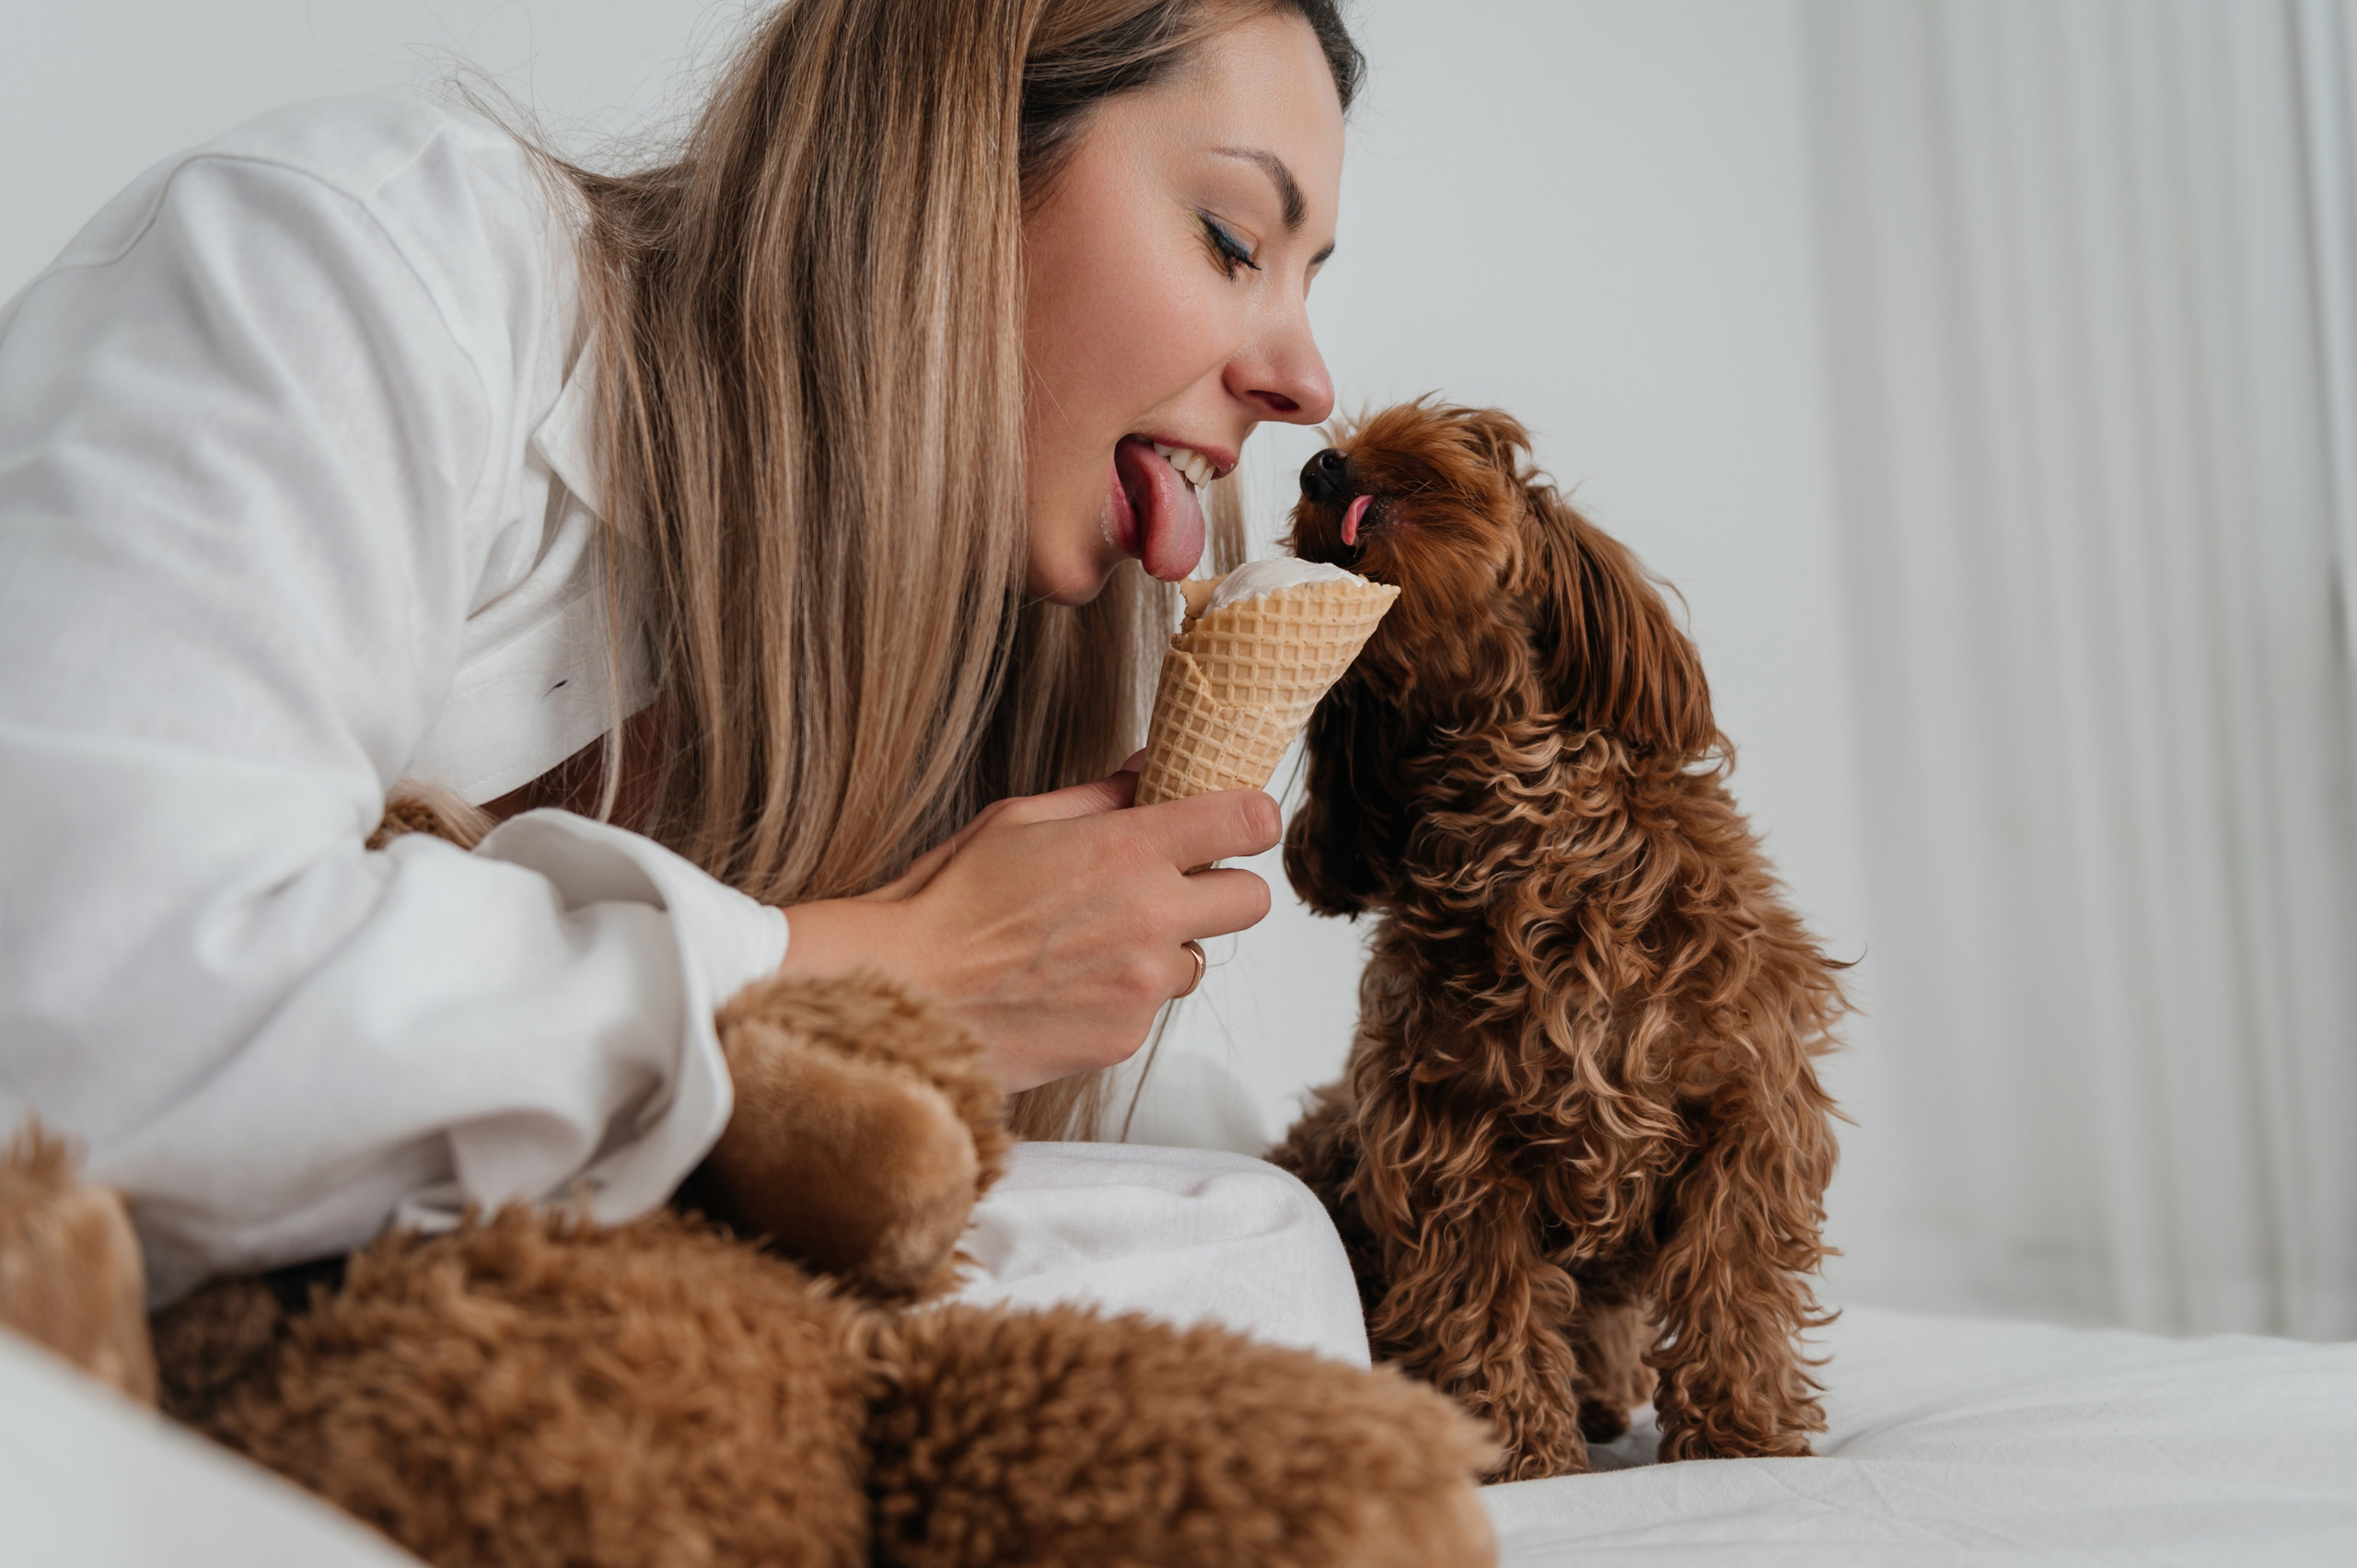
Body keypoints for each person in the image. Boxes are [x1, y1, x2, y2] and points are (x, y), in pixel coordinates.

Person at [0, 0, 1369, 1363]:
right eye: (1234, 240)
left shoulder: (966, 663)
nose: (1307, 378)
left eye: (1306, 278)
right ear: (955, 159)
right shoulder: (375, 267)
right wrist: (893, 973)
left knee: (1252, 1249)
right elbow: (81, 1005)